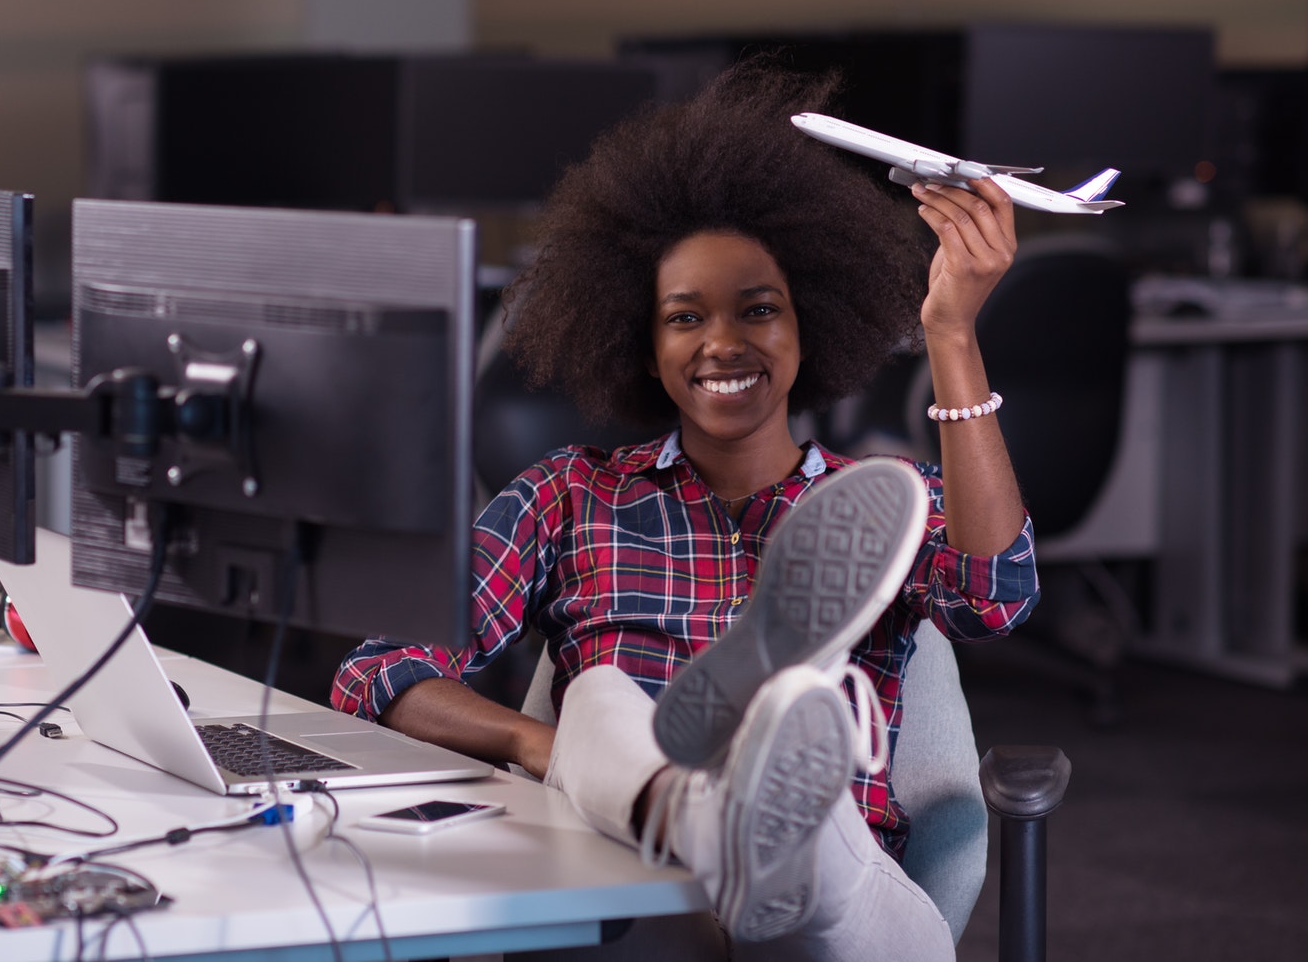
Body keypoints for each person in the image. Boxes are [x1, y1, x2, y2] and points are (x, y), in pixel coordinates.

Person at [330, 64, 1040, 959]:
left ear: (808, 322)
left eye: (759, 310)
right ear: (643, 338)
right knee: (598, 700)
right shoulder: (569, 495)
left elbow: (995, 596)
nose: (722, 343)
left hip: (849, 914)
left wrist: (952, 331)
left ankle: (764, 809)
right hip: (634, 880)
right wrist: (542, 745)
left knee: (806, 820)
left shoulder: (884, 506)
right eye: (683, 317)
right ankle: (694, 808)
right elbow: (375, 669)